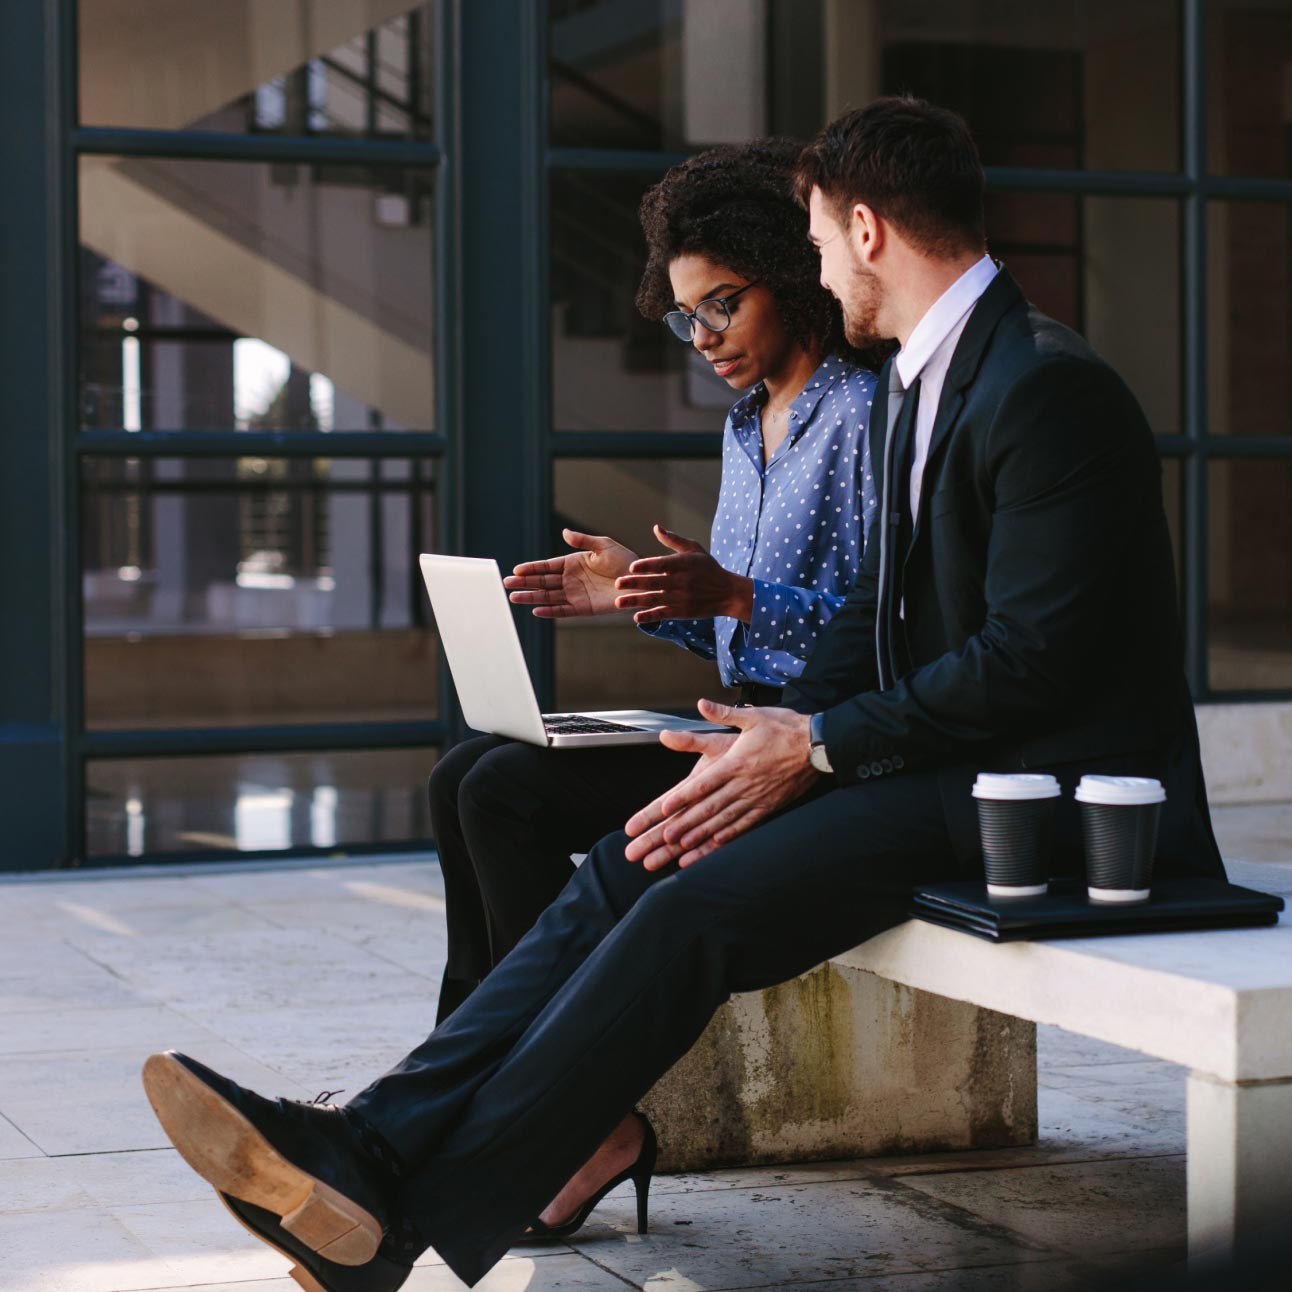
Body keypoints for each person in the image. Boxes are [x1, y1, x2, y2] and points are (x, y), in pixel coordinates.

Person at [142, 96, 1223, 1292]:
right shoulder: (934, 381)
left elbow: (1033, 661)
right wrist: (726, 667)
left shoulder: (1038, 386)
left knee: (680, 905)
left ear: (863, 231)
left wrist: (808, 741)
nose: (809, 265)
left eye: (809, 241)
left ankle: (397, 1222)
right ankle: (371, 1146)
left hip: (1050, 800)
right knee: (633, 861)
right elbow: (901, 630)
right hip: (931, 759)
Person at [429, 137, 882, 1022]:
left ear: (790, 273)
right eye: (686, 317)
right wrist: (639, 590)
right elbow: (725, 609)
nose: (703, 337)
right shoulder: (746, 424)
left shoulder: (862, 417)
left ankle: (524, 1052)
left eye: (721, 305)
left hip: (810, 746)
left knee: (501, 793)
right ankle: (462, 1038)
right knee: (460, 774)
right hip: (731, 719)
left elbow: (891, 627)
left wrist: (737, 596)